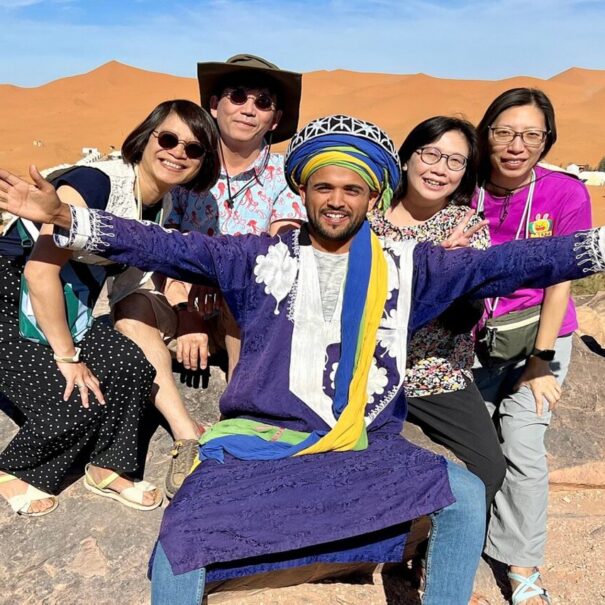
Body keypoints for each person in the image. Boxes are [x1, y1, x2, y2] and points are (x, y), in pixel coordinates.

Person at [2, 115, 604, 605]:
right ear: (305, 191)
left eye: (351, 188)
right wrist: (63, 217)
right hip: (261, 441)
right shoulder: (256, 258)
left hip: (362, 442)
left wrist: (598, 245)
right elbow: (165, 244)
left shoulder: (411, 266)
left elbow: (516, 263)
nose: (336, 201)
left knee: (465, 493)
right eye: (323, 186)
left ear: (373, 194)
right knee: (179, 542)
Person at [0, 99, 219, 516]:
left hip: (72, 309)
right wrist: (67, 359)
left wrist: (178, 307)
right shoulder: (96, 182)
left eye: (194, 149)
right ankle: (16, 468)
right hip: (10, 301)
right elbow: (39, 273)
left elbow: (127, 285)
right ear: (146, 137)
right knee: (77, 398)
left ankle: (107, 466)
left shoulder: (163, 207)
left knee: (133, 366)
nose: (178, 153)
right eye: (169, 139)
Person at [118, 55, 304, 497]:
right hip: (182, 300)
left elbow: (277, 253)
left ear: (275, 117)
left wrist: (217, 288)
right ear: (215, 104)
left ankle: (237, 428)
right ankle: (186, 435)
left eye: (263, 102)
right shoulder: (183, 162)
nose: (248, 108)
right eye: (237, 96)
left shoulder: (287, 176)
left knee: (249, 294)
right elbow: (161, 248)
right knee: (131, 310)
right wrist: (186, 314)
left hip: (246, 313)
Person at [471, 88, 592, 604]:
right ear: (486, 134)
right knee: (466, 447)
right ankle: (454, 541)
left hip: (536, 340)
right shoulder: (462, 184)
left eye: (531, 134)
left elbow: (561, 276)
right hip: (468, 338)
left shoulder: (565, 193)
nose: (517, 145)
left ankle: (522, 566)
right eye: (505, 131)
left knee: (522, 445)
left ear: (547, 140)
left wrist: (541, 362)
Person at [369, 116, 506, 510]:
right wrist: (432, 268)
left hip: (436, 373)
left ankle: (437, 549)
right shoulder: (368, 219)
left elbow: (463, 316)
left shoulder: (465, 226)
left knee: (488, 467)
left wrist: (448, 274)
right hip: (366, 368)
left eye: (455, 161)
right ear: (408, 158)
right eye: (431, 154)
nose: (440, 169)